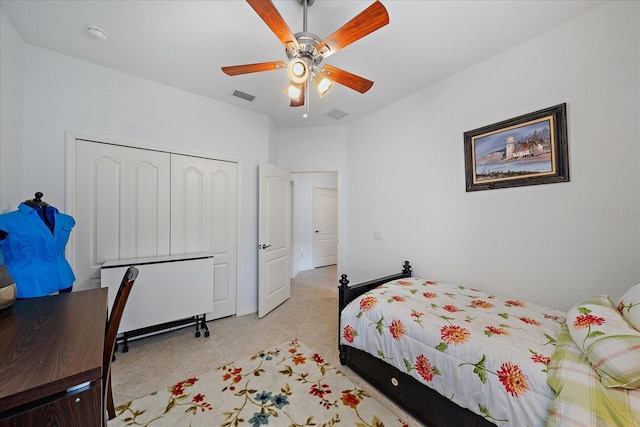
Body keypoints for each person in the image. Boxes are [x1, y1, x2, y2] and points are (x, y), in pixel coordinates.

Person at [0, 193, 76, 298]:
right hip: (27, 286)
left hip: (62, 279)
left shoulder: (64, 219)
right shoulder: (6, 221)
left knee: (64, 313)